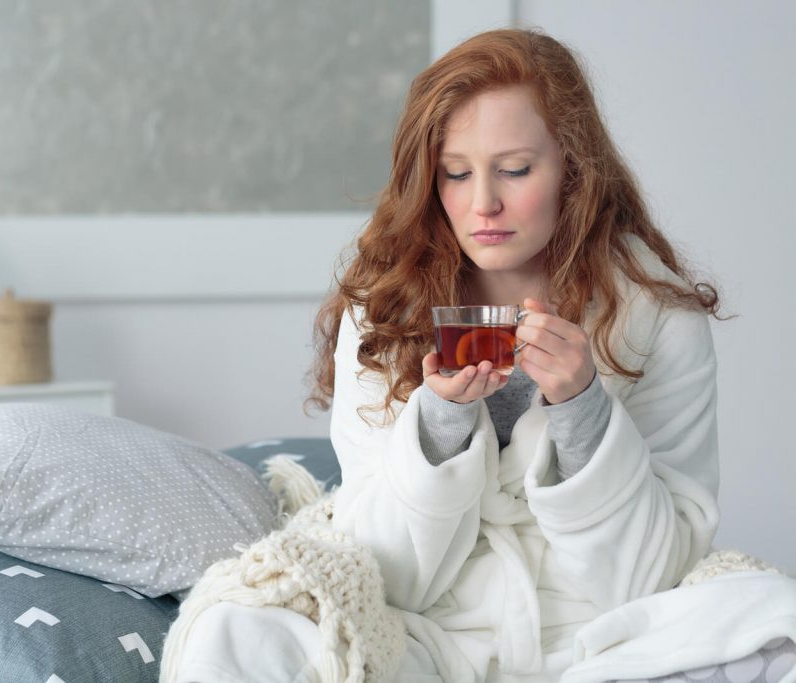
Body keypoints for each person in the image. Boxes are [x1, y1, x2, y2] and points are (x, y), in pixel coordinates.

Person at [165, 28, 796, 682]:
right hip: (429, 640)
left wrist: (583, 410)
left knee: (775, 614)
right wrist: (437, 428)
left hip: (604, 645)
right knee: (236, 628)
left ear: (573, 169)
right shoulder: (384, 308)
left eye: (516, 169)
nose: (482, 203)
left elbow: (650, 577)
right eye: (457, 173)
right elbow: (388, 575)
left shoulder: (655, 313)